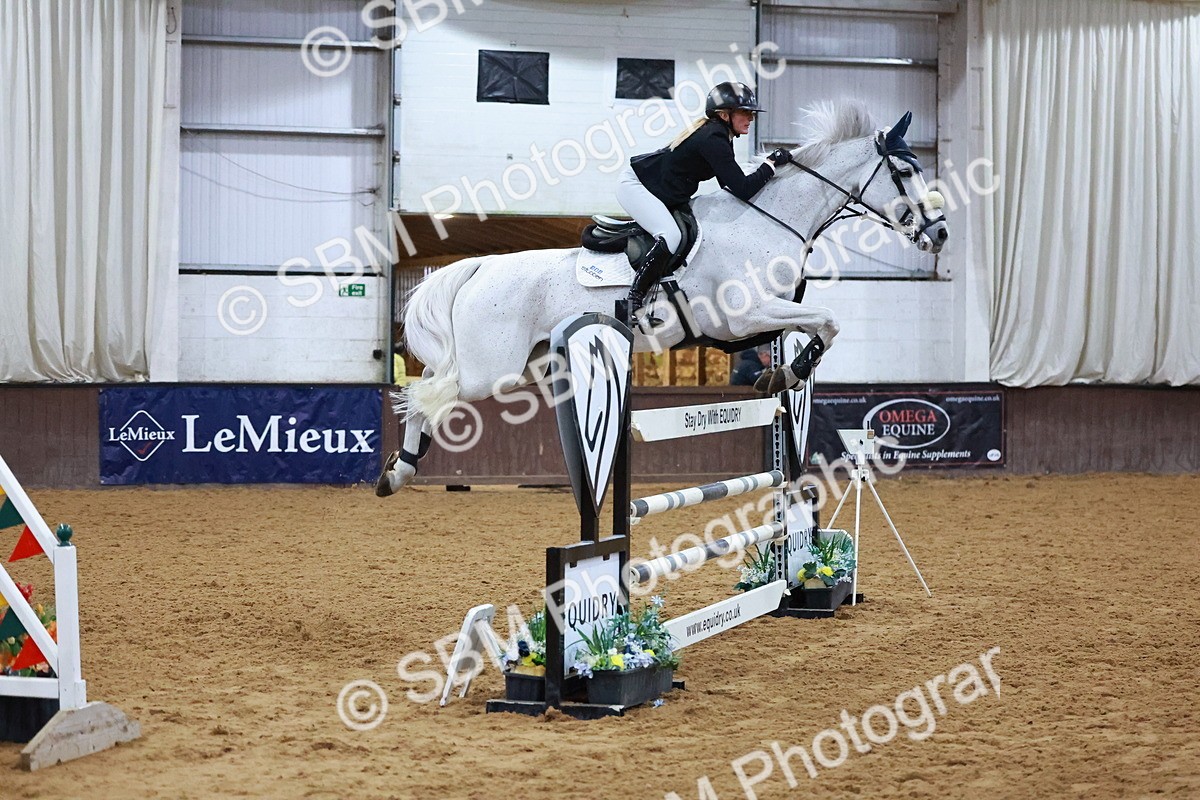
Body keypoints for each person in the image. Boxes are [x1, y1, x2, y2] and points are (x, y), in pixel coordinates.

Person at [616, 81, 794, 322]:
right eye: (745, 112)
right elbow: (742, 188)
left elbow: (728, 185)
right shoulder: (713, 138)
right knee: (671, 236)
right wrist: (770, 165)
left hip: (660, 192)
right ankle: (632, 302)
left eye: (751, 113)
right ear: (724, 114)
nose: (751, 118)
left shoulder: (721, 136)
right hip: (635, 187)